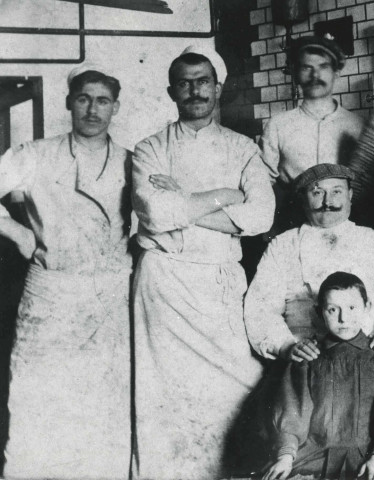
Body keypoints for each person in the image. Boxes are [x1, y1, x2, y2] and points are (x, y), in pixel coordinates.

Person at [131, 45, 275, 479]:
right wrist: (224, 197)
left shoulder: (244, 149)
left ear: (218, 87)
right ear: (171, 91)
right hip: (165, 285)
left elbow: (260, 217)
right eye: (185, 82)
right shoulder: (149, 148)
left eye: (203, 81)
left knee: (234, 389)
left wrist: (183, 200)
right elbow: (155, 214)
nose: (195, 90)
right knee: (165, 397)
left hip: (219, 284)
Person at [0, 64, 132, 478]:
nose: (93, 109)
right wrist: (20, 234)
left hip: (109, 297)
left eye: (103, 101)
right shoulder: (35, 154)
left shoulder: (133, 160)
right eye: (83, 99)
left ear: (115, 108)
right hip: (51, 294)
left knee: (104, 406)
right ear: (68, 103)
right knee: (35, 402)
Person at [263, 272, 374, 480]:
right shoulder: (309, 356)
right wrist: (286, 456)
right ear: (319, 313)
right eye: (332, 310)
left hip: (367, 458)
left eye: (352, 308)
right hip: (313, 457)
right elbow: (292, 412)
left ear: (367, 307)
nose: (343, 318)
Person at [244, 163, 374, 361]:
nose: (327, 202)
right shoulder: (283, 245)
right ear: (303, 200)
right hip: (305, 355)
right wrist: (286, 346)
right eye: (317, 193)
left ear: (350, 195)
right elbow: (260, 307)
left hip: (367, 353)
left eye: (336, 191)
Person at [259, 35, 365, 233]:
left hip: (348, 229)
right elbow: (262, 184)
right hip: (293, 227)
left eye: (323, 66)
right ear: (295, 73)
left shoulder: (358, 125)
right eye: (307, 67)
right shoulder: (278, 125)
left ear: (337, 72)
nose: (315, 75)